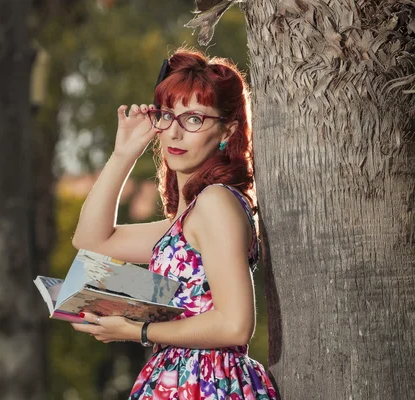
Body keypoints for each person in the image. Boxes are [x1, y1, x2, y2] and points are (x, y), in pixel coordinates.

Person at [70, 48, 278, 399]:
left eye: (194, 119)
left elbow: (235, 325)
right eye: (168, 116)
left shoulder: (216, 203)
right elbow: (91, 240)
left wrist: (140, 331)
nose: (175, 133)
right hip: (179, 379)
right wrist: (124, 153)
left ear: (227, 129)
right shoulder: (188, 220)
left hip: (207, 382)